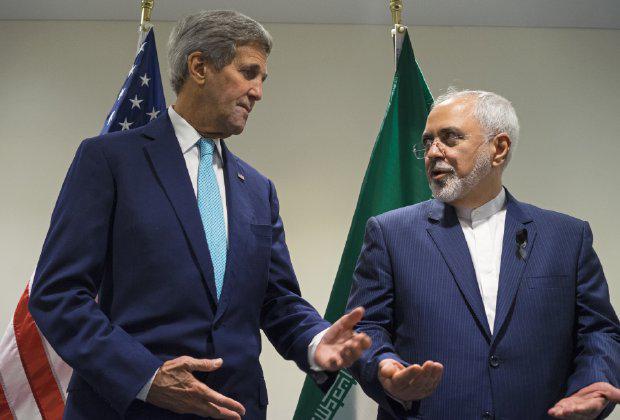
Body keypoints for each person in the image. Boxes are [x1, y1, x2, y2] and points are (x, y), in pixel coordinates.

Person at [29, 10, 370, 420]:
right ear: (199, 67)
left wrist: (316, 342)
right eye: (248, 73)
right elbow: (58, 294)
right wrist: (147, 377)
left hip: (236, 409)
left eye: (262, 79)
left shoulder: (258, 189)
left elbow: (278, 300)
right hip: (131, 409)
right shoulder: (109, 160)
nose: (258, 92)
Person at [346, 89, 620, 419]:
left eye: (450, 138)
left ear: (498, 148)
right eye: (428, 141)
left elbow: (599, 332)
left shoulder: (567, 237)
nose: (433, 152)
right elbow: (365, 327)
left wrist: (594, 383)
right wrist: (384, 368)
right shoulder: (390, 233)